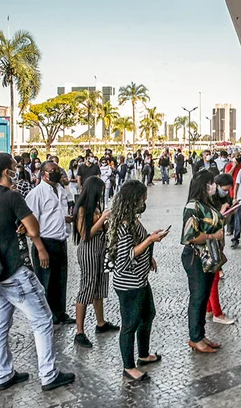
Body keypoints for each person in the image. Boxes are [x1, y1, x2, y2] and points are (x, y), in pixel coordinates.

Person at [0, 153, 74, 391]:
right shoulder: (11, 196)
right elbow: (34, 227)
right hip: (14, 268)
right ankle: (49, 374)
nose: (18, 171)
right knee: (42, 319)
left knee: (0, 322)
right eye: (14, 168)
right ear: (5, 172)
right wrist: (28, 230)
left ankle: (3, 374)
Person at [107, 179, 166, 381]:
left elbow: (138, 244)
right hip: (129, 284)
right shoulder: (124, 224)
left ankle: (143, 354)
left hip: (140, 279)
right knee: (130, 324)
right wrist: (150, 241)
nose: (145, 201)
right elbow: (125, 257)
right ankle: (128, 367)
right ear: (134, 199)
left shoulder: (131, 219)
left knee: (148, 314)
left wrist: (149, 251)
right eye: (143, 197)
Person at [71, 176, 119, 348]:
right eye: (100, 190)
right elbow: (85, 234)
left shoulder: (96, 206)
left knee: (99, 287)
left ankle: (101, 323)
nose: (102, 193)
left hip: (100, 249)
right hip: (89, 250)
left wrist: (107, 221)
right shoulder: (82, 209)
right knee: (86, 288)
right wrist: (102, 219)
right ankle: (79, 332)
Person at [25, 161, 75, 325]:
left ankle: (60, 312)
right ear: (44, 173)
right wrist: (40, 249)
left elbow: (55, 213)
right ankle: (47, 314)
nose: (57, 172)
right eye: (52, 170)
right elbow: (31, 223)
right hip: (45, 242)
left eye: (57, 169)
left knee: (60, 279)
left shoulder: (60, 190)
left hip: (60, 240)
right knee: (45, 281)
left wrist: (65, 219)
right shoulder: (36, 194)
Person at [181, 171, 225, 353]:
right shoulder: (192, 207)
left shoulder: (207, 203)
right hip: (196, 257)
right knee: (197, 298)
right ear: (204, 185)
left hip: (208, 257)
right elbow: (190, 236)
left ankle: (201, 335)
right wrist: (213, 236)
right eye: (211, 183)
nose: (214, 186)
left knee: (203, 295)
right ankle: (195, 338)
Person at [206, 173, 236, 325]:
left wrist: (230, 212)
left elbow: (223, 221)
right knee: (214, 276)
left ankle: (209, 308)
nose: (226, 191)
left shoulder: (224, 197)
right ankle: (216, 312)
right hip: (210, 241)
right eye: (225, 189)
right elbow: (210, 221)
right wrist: (221, 211)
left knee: (214, 276)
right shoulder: (209, 198)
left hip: (219, 240)